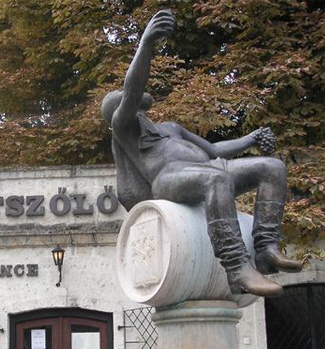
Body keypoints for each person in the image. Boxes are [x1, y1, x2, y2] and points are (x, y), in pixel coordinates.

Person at [102, 10, 301, 297]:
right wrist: (146, 43)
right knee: (216, 179)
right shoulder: (125, 128)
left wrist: (251, 139)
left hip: (208, 168)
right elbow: (132, 90)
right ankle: (237, 267)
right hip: (168, 180)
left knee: (272, 167)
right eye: (124, 100)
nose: (131, 98)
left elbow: (214, 150)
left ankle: (266, 248)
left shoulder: (171, 127)